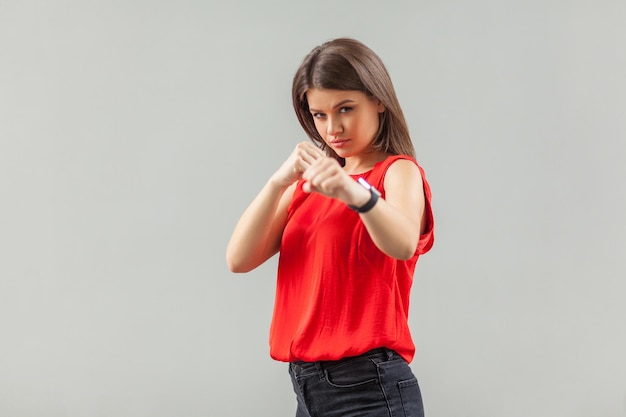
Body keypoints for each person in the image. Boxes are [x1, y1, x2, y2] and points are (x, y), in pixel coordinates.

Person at [226, 37, 434, 417]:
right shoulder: (311, 184)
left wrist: (355, 193)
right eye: (319, 115)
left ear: (379, 100)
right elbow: (238, 259)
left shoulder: (397, 171)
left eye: (346, 109)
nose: (332, 128)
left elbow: (403, 242)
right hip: (308, 389)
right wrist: (277, 182)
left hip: (369, 389)